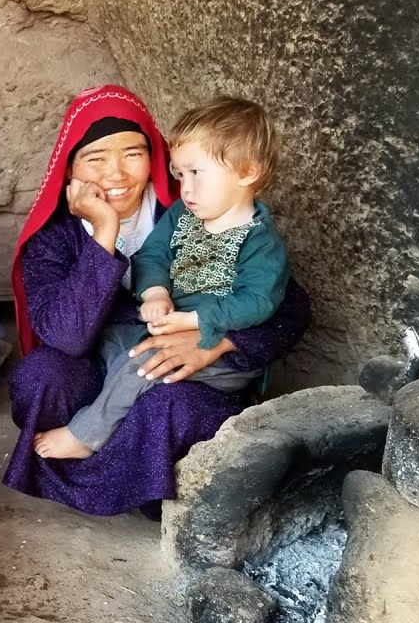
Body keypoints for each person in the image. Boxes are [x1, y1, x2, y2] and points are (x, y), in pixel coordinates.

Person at [3, 85, 310, 516]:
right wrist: (105, 232)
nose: (116, 174)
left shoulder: (196, 212)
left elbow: (289, 306)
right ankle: (81, 464)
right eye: (95, 159)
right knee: (45, 373)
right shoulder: (55, 241)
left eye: (133, 154)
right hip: (111, 362)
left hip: (191, 374)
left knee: (165, 398)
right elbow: (68, 338)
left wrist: (219, 344)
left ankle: (139, 485)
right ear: (69, 170)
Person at [34, 96, 288, 459]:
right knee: (113, 341)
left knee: (143, 363)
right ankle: (122, 399)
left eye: (197, 173)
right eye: (179, 174)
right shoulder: (184, 214)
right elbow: (153, 255)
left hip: (218, 357)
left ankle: (87, 435)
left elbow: (260, 301)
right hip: (161, 328)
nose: (185, 187)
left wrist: (198, 322)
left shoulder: (258, 240)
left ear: (247, 172)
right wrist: (154, 292)